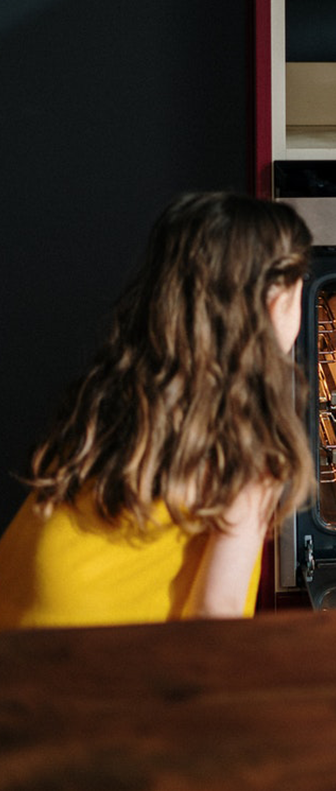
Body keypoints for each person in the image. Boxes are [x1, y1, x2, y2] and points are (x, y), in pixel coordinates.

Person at [0, 191, 315, 628]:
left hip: (18, 635)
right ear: (276, 303)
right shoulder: (246, 438)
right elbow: (214, 613)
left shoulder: (116, 389)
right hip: (86, 666)